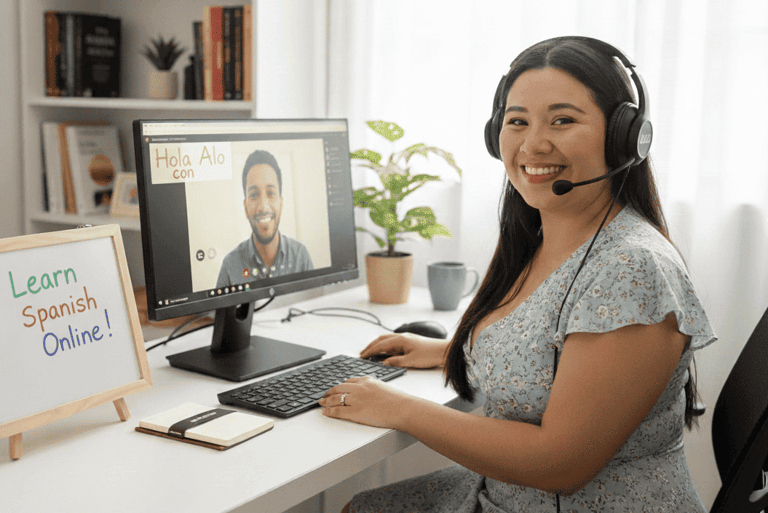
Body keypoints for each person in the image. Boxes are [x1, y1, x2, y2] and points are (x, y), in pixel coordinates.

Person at [319, 36, 716, 512]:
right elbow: (554, 352)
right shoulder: (542, 237)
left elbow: (559, 464)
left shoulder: (632, 270)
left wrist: (399, 408)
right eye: (517, 121)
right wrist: (450, 351)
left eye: (562, 120)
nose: (533, 144)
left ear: (623, 138)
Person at [217, 149, 313, 288]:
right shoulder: (230, 265)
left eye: (270, 193)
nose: (263, 207)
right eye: (254, 195)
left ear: (281, 203)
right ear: (245, 207)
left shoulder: (301, 256)